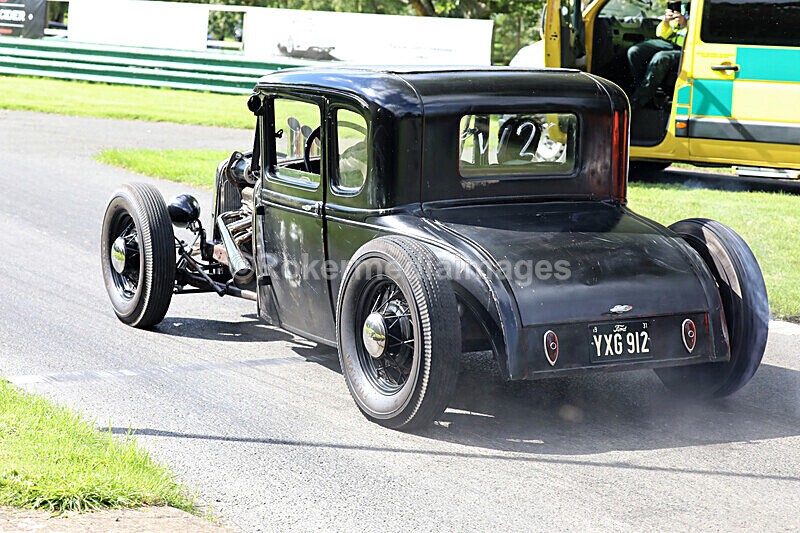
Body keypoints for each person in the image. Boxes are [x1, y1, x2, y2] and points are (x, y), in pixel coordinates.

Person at [627, 4, 688, 109]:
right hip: (671, 43)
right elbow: (661, 34)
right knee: (635, 51)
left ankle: (638, 102)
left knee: (660, 58)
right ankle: (645, 94)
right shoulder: (684, 6)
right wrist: (666, 22)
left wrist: (685, 25)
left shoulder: (701, 8)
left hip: (688, 48)